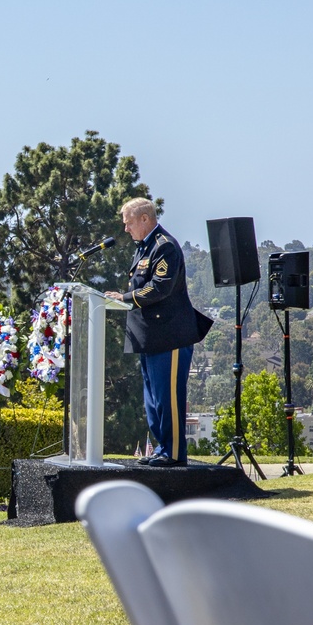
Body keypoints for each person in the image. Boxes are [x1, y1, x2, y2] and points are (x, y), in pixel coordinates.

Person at [106, 197, 212, 467]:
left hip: (170, 336)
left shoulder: (165, 247)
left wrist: (125, 297)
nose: (126, 229)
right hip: (151, 336)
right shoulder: (145, 247)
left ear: (145, 218)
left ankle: (174, 453)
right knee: (153, 400)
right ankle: (162, 448)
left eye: (129, 223)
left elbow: (159, 287)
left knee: (168, 397)